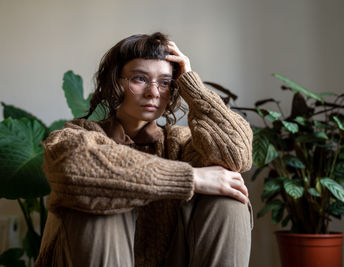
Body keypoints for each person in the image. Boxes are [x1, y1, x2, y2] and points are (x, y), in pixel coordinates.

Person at [35, 32, 253, 267]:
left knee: (229, 200)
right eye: (140, 79)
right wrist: (191, 178)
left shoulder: (181, 143)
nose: (153, 92)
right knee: (99, 195)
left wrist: (194, 87)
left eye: (165, 82)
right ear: (117, 82)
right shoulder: (80, 134)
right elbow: (72, 169)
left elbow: (237, 156)